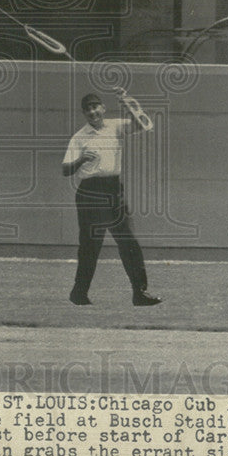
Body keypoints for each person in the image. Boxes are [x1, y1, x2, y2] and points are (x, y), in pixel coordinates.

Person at [62, 92, 161, 307]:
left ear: (103, 109)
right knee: (90, 246)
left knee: (129, 242)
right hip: (90, 193)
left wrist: (127, 101)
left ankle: (139, 293)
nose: (92, 112)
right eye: (87, 109)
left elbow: (145, 124)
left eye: (95, 107)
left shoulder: (115, 126)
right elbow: (65, 169)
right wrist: (80, 160)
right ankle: (79, 293)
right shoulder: (79, 137)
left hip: (114, 190)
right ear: (84, 114)